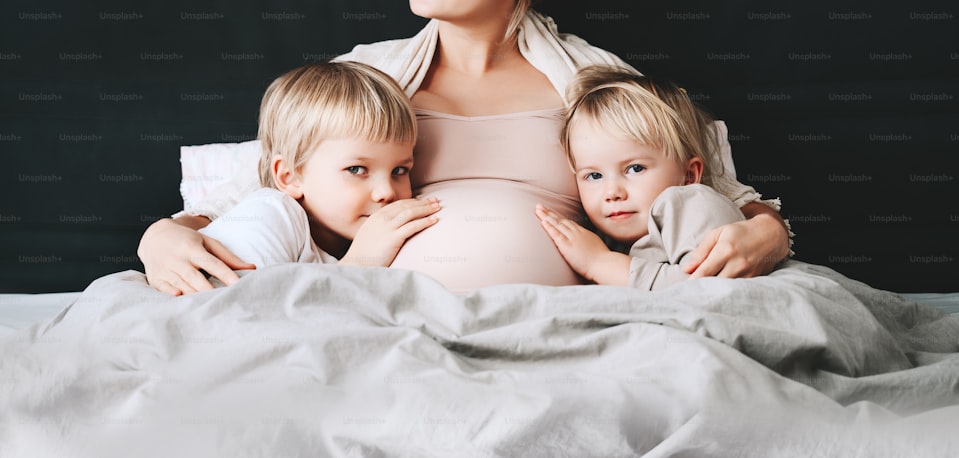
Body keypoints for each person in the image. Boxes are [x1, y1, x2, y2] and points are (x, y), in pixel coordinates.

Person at [137, 0, 791, 295]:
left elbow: (721, 192)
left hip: (550, 322)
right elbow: (264, 184)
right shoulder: (368, 75)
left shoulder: (591, 76)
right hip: (385, 319)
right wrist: (163, 235)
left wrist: (768, 235)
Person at [198, 61, 440, 275]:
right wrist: (357, 265)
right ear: (290, 176)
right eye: (356, 169)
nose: (386, 192)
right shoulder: (269, 217)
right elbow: (247, 314)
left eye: (399, 171)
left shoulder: (350, 236)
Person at [535, 65, 750, 289]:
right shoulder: (610, 236)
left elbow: (704, 286)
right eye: (595, 175)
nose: (613, 193)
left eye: (635, 169)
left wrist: (598, 263)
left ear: (688, 175)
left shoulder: (694, 205)